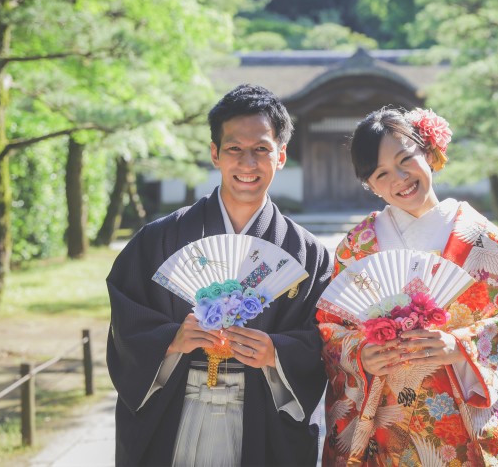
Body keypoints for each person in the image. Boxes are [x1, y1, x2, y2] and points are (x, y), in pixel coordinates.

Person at [107, 84, 332, 466]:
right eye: (234, 149)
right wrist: (172, 339)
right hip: (176, 404)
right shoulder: (159, 240)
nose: (248, 163)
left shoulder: (307, 253)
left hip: (263, 414)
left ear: (280, 157)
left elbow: (324, 342)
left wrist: (276, 353)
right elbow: (126, 324)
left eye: (261, 149)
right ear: (215, 154)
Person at [317, 107, 498, 466]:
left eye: (406, 159)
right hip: (384, 426)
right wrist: (360, 355)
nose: (400, 178)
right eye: (381, 174)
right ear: (370, 185)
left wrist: (461, 345)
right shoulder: (358, 247)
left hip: (459, 422)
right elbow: (331, 328)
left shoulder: (483, 240)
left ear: (429, 152)